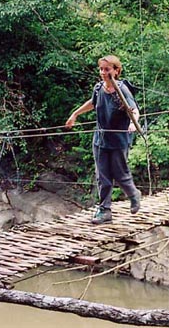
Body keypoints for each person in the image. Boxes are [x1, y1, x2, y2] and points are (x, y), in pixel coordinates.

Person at [65, 55, 141, 224]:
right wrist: (75, 114)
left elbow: (134, 110)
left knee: (120, 173)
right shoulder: (99, 88)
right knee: (102, 175)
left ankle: (134, 195)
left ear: (116, 71)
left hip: (119, 139)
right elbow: (92, 103)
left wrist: (133, 124)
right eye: (101, 69)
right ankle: (104, 210)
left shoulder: (122, 89)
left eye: (107, 69)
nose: (103, 73)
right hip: (100, 139)